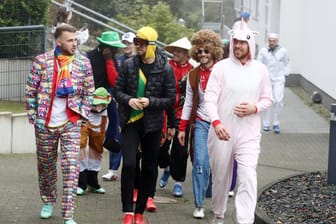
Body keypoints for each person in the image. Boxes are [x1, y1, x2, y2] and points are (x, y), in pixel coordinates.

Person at [25, 24, 95, 224]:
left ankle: (68, 214)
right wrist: (34, 117)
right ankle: (48, 200)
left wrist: (83, 113)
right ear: (59, 42)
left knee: (71, 167)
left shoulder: (83, 63)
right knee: (46, 166)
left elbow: (90, 91)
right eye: (70, 40)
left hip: (71, 122)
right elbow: (30, 90)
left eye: (75, 40)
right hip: (45, 123)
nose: (75, 43)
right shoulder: (42, 61)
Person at [204, 21, 273, 224]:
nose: (238, 46)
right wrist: (216, 123)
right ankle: (218, 213)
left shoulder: (260, 70)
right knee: (220, 178)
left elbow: (267, 99)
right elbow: (209, 98)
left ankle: (245, 219)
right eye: (235, 42)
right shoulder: (220, 68)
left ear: (250, 44)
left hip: (249, 133)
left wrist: (255, 108)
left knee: (247, 175)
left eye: (243, 43)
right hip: (222, 132)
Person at [114, 26, 176, 224]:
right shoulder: (128, 65)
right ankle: (128, 212)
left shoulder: (165, 69)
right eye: (136, 42)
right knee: (130, 164)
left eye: (141, 43)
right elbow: (117, 91)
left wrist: (150, 102)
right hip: (130, 122)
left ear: (151, 45)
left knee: (149, 168)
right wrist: (128, 100)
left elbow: (170, 100)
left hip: (153, 125)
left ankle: (139, 213)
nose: (137, 46)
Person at [177, 29, 223, 219]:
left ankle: (219, 203)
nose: (203, 54)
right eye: (200, 51)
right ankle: (199, 204)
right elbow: (188, 102)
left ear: (213, 51)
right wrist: (182, 128)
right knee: (200, 163)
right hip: (201, 123)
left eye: (207, 51)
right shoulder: (193, 74)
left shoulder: (223, 70)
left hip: (222, 124)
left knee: (220, 165)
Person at [158, 37, 193, 197]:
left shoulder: (193, 70)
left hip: (183, 114)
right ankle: (166, 168)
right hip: (164, 112)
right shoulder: (166, 67)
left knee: (180, 149)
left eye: (179, 51)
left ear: (187, 54)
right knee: (162, 146)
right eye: (175, 51)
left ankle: (178, 181)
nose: (176, 53)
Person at [102, 31, 136, 181]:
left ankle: (133, 170)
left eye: (129, 43)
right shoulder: (118, 60)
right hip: (118, 103)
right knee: (115, 134)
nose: (126, 46)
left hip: (134, 105)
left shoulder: (139, 61)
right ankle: (113, 169)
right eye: (125, 43)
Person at [77, 87, 111, 195]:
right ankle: (81, 184)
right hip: (85, 120)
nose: (98, 108)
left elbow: (114, 119)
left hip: (99, 127)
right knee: (81, 148)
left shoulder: (106, 110)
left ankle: (93, 183)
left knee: (96, 151)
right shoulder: (86, 104)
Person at [257, 32, 290, 134]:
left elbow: (287, 62)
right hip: (267, 79)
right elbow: (259, 64)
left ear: (277, 41)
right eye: (270, 41)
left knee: (278, 101)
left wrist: (285, 74)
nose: (271, 42)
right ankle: (266, 124)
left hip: (279, 79)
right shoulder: (263, 51)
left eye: (273, 41)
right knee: (267, 101)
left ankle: (276, 123)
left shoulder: (283, 51)